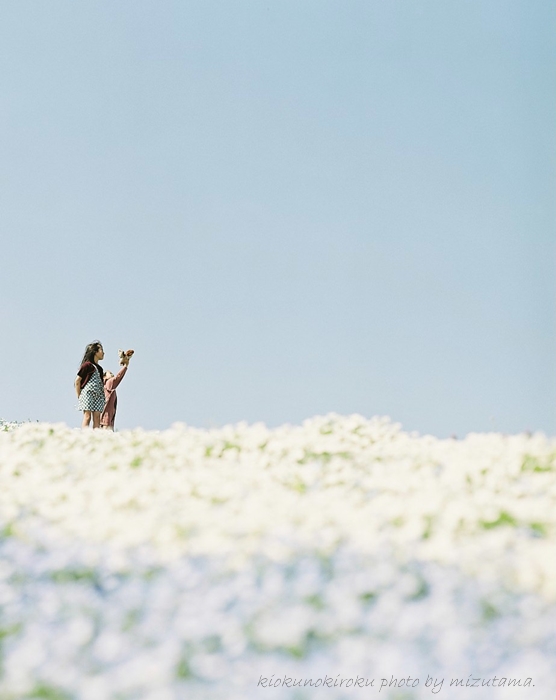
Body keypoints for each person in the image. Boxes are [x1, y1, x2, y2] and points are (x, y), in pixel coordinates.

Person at [75, 341, 105, 429]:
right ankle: (85, 435)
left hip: (98, 395)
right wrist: (79, 396)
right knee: (87, 416)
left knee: (97, 418)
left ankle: (95, 437)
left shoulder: (100, 369)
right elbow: (77, 381)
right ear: (95, 352)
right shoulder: (87, 365)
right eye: (101, 350)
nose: (103, 352)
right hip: (88, 393)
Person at [100, 353, 132, 430]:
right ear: (104, 376)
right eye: (110, 373)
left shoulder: (105, 386)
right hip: (107, 417)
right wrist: (125, 366)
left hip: (105, 416)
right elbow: (118, 377)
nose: (112, 374)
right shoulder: (108, 382)